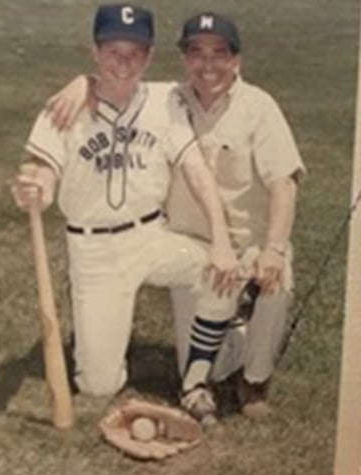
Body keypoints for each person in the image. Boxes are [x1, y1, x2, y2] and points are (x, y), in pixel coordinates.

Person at [47, 11, 305, 420]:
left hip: (250, 243)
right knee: (208, 364)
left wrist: (273, 249)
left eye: (219, 54)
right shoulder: (169, 100)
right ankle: (228, 337)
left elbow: (284, 185)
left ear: (236, 60)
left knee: (276, 285)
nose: (207, 65)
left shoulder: (259, 107)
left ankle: (254, 380)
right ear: (184, 59)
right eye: (196, 54)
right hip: (193, 244)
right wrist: (84, 84)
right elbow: (119, 74)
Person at [9, 4, 240, 422]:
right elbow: (39, 170)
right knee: (99, 386)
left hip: (150, 238)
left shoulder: (163, 101)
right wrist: (35, 188)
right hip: (94, 252)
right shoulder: (64, 107)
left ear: (149, 56)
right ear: (95, 51)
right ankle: (98, 338)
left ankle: (199, 374)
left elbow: (196, 173)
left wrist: (222, 242)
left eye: (135, 53)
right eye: (113, 52)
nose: (124, 63)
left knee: (219, 270)